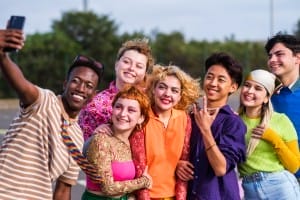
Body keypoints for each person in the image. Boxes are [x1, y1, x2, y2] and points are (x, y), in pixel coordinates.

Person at [0, 29, 103, 199]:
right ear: (65, 84)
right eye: (75, 81)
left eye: (88, 85)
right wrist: (2, 56)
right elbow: (22, 84)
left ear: (93, 95)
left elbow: (63, 191)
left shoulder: (77, 137)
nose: (80, 89)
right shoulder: (43, 101)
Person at [79, 37, 154, 195]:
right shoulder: (95, 106)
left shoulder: (149, 103)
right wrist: (94, 138)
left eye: (139, 66)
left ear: (145, 73)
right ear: (116, 64)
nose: (131, 68)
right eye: (127, 62)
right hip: (107, 191)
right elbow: (82, 154)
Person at [130, 64, 201, 199]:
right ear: (153, 90)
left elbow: (183, 162)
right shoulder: (141, 118)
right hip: (144, 195)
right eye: (162, 87)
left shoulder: (184, 119)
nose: (167, 94)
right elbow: (140, 168)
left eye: (174, 90)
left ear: (180, 96)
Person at [186, 52, 247, 200]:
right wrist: (180, 164)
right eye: (209, 77)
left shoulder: (233, 123)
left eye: (221, 79)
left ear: (233, 87)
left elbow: (221, 168)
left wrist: (206, 130)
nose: (213, 83)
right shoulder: (191, 116)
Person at [238, 69, 300, 199]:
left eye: (258, 88)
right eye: (247, 85)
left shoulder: (280, 120)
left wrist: (274, 139)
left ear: (267, 97)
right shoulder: (234, 121)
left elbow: (294, 166)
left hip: (280, 188)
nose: (250, 91)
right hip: (250, 190)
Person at [82, 86, 152, 200]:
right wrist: (143, 182)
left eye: (131, 110)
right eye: (118, 107)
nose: (123, 114)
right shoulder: (101, 140)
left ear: (141, 118)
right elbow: (108, 188)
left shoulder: (133, 143)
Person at [265, 33, 300, 181]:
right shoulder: (265, 95)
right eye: (270, 56)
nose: (272, 60)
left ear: (297, 58)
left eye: (279, 54)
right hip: (272, 181)